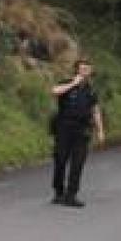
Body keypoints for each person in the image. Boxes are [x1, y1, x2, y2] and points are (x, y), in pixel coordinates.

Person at [50, 58, 105, 206]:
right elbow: (54, 91)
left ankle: (71, 195)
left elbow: (95, 110)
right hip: (64, 127)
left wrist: (100, 130)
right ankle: (58, 192)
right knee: (60, 160)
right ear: (77, 70)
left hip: (82, 129)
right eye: (82, 69)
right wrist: (73, 84)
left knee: (78, 163)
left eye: (87, 69)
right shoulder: (67, 82)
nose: (85, 72)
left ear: (91, 72)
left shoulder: (91, 90)